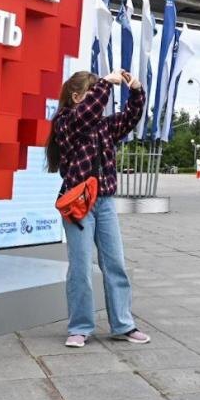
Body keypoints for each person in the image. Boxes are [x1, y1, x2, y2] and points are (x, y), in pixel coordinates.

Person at [47, 69, 151, 348]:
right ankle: (80, 327)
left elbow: (130, 118)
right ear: (76, 96)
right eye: (91, 92)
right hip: (79, 204)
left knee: (115, 264)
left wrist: (137, 91)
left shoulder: (103, 126)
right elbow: (86, 115)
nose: (99, 99)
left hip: (104, 202)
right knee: (80, 268)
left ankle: (123, 325)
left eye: (99, 92)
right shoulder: (66, 121)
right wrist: (105, 83)